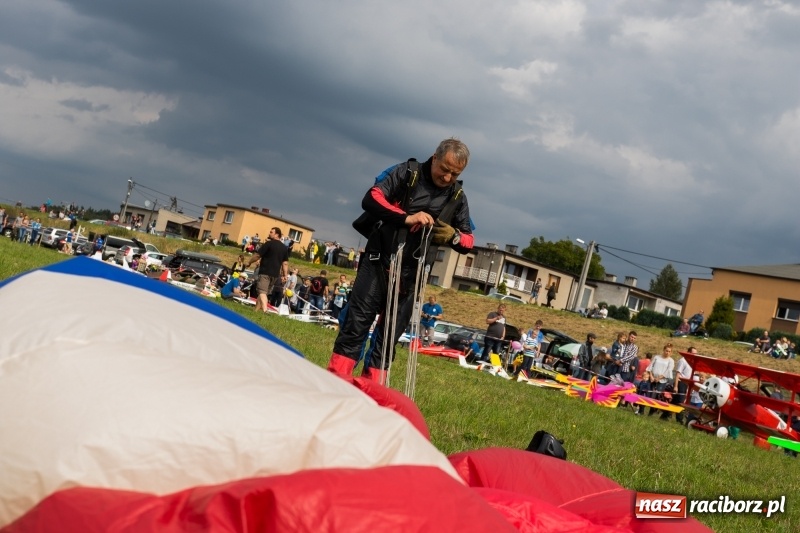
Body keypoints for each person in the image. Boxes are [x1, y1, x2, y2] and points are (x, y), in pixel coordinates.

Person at [327, 138, 474, 382]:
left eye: (455, 174)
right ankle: (336, 383)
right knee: (356, 326)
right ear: (434, 158)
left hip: (412, 275)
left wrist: (453, 236)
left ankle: (372, 391)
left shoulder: (457, 196)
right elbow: (371, 198)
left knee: (388, 340)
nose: (447, 177)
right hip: (378, 262)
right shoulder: (406, 173)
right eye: (444, 169)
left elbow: (468, 240)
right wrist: (407, 218)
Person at [245, 227, 289, 312]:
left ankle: (265, 310)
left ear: (277, 235)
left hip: (265, 272)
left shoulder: (268, 244)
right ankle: (256, 311)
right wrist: (285, 275)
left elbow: (257, 255)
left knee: (262, 292)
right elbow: (285, 263)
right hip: (275, 275)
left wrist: (249, 262)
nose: (269, 233)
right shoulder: (284, 248)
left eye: (271, 232)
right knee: (263, 293)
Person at [664, 346, 695, 423]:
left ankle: (665, 415)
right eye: (693, 353)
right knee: (680, 401)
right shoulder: (683, 360)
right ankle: (679, 419)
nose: (695, 355)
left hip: (686, 384)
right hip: (680, 383)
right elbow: (678, 374)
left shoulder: (692, 362)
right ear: (688, 352)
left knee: (675, 401)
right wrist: (676, 386)